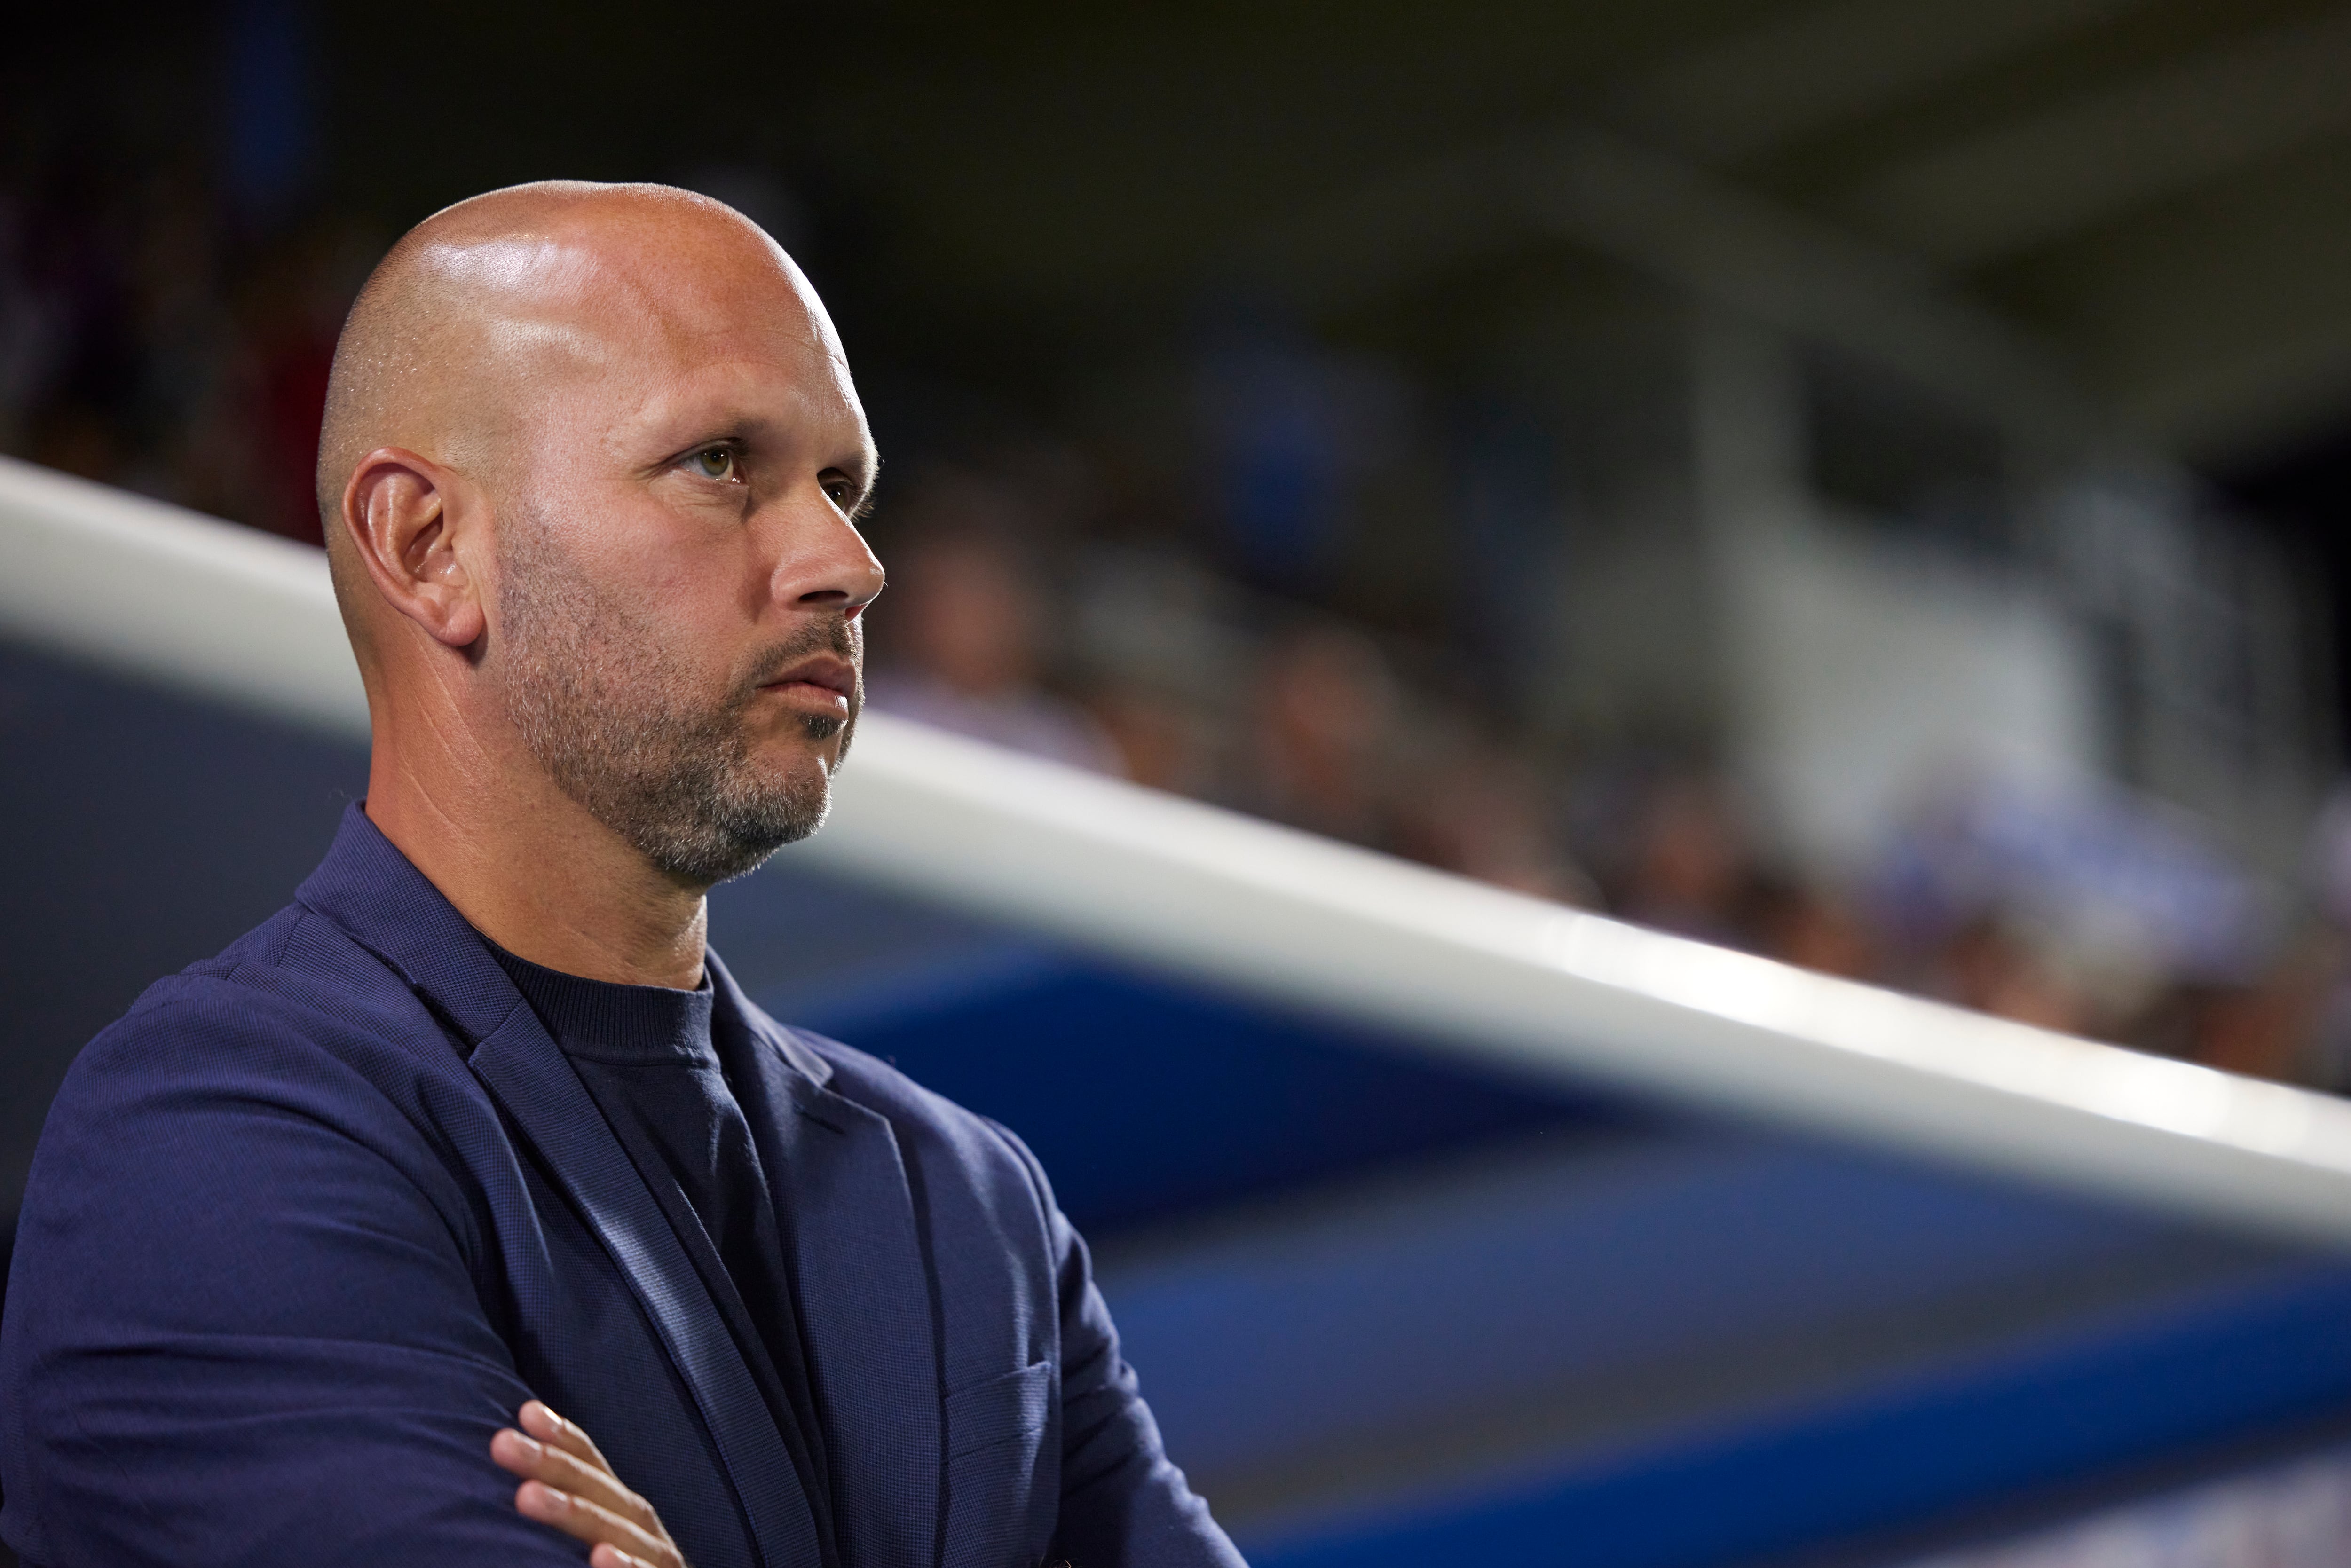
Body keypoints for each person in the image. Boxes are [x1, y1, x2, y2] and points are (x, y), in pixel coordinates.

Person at [0, 182, 1242, 1568]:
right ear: (429, 545)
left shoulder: (970, 1200)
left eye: (842, 487)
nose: (850, 562)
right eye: (721, 463)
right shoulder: (218, 1144)